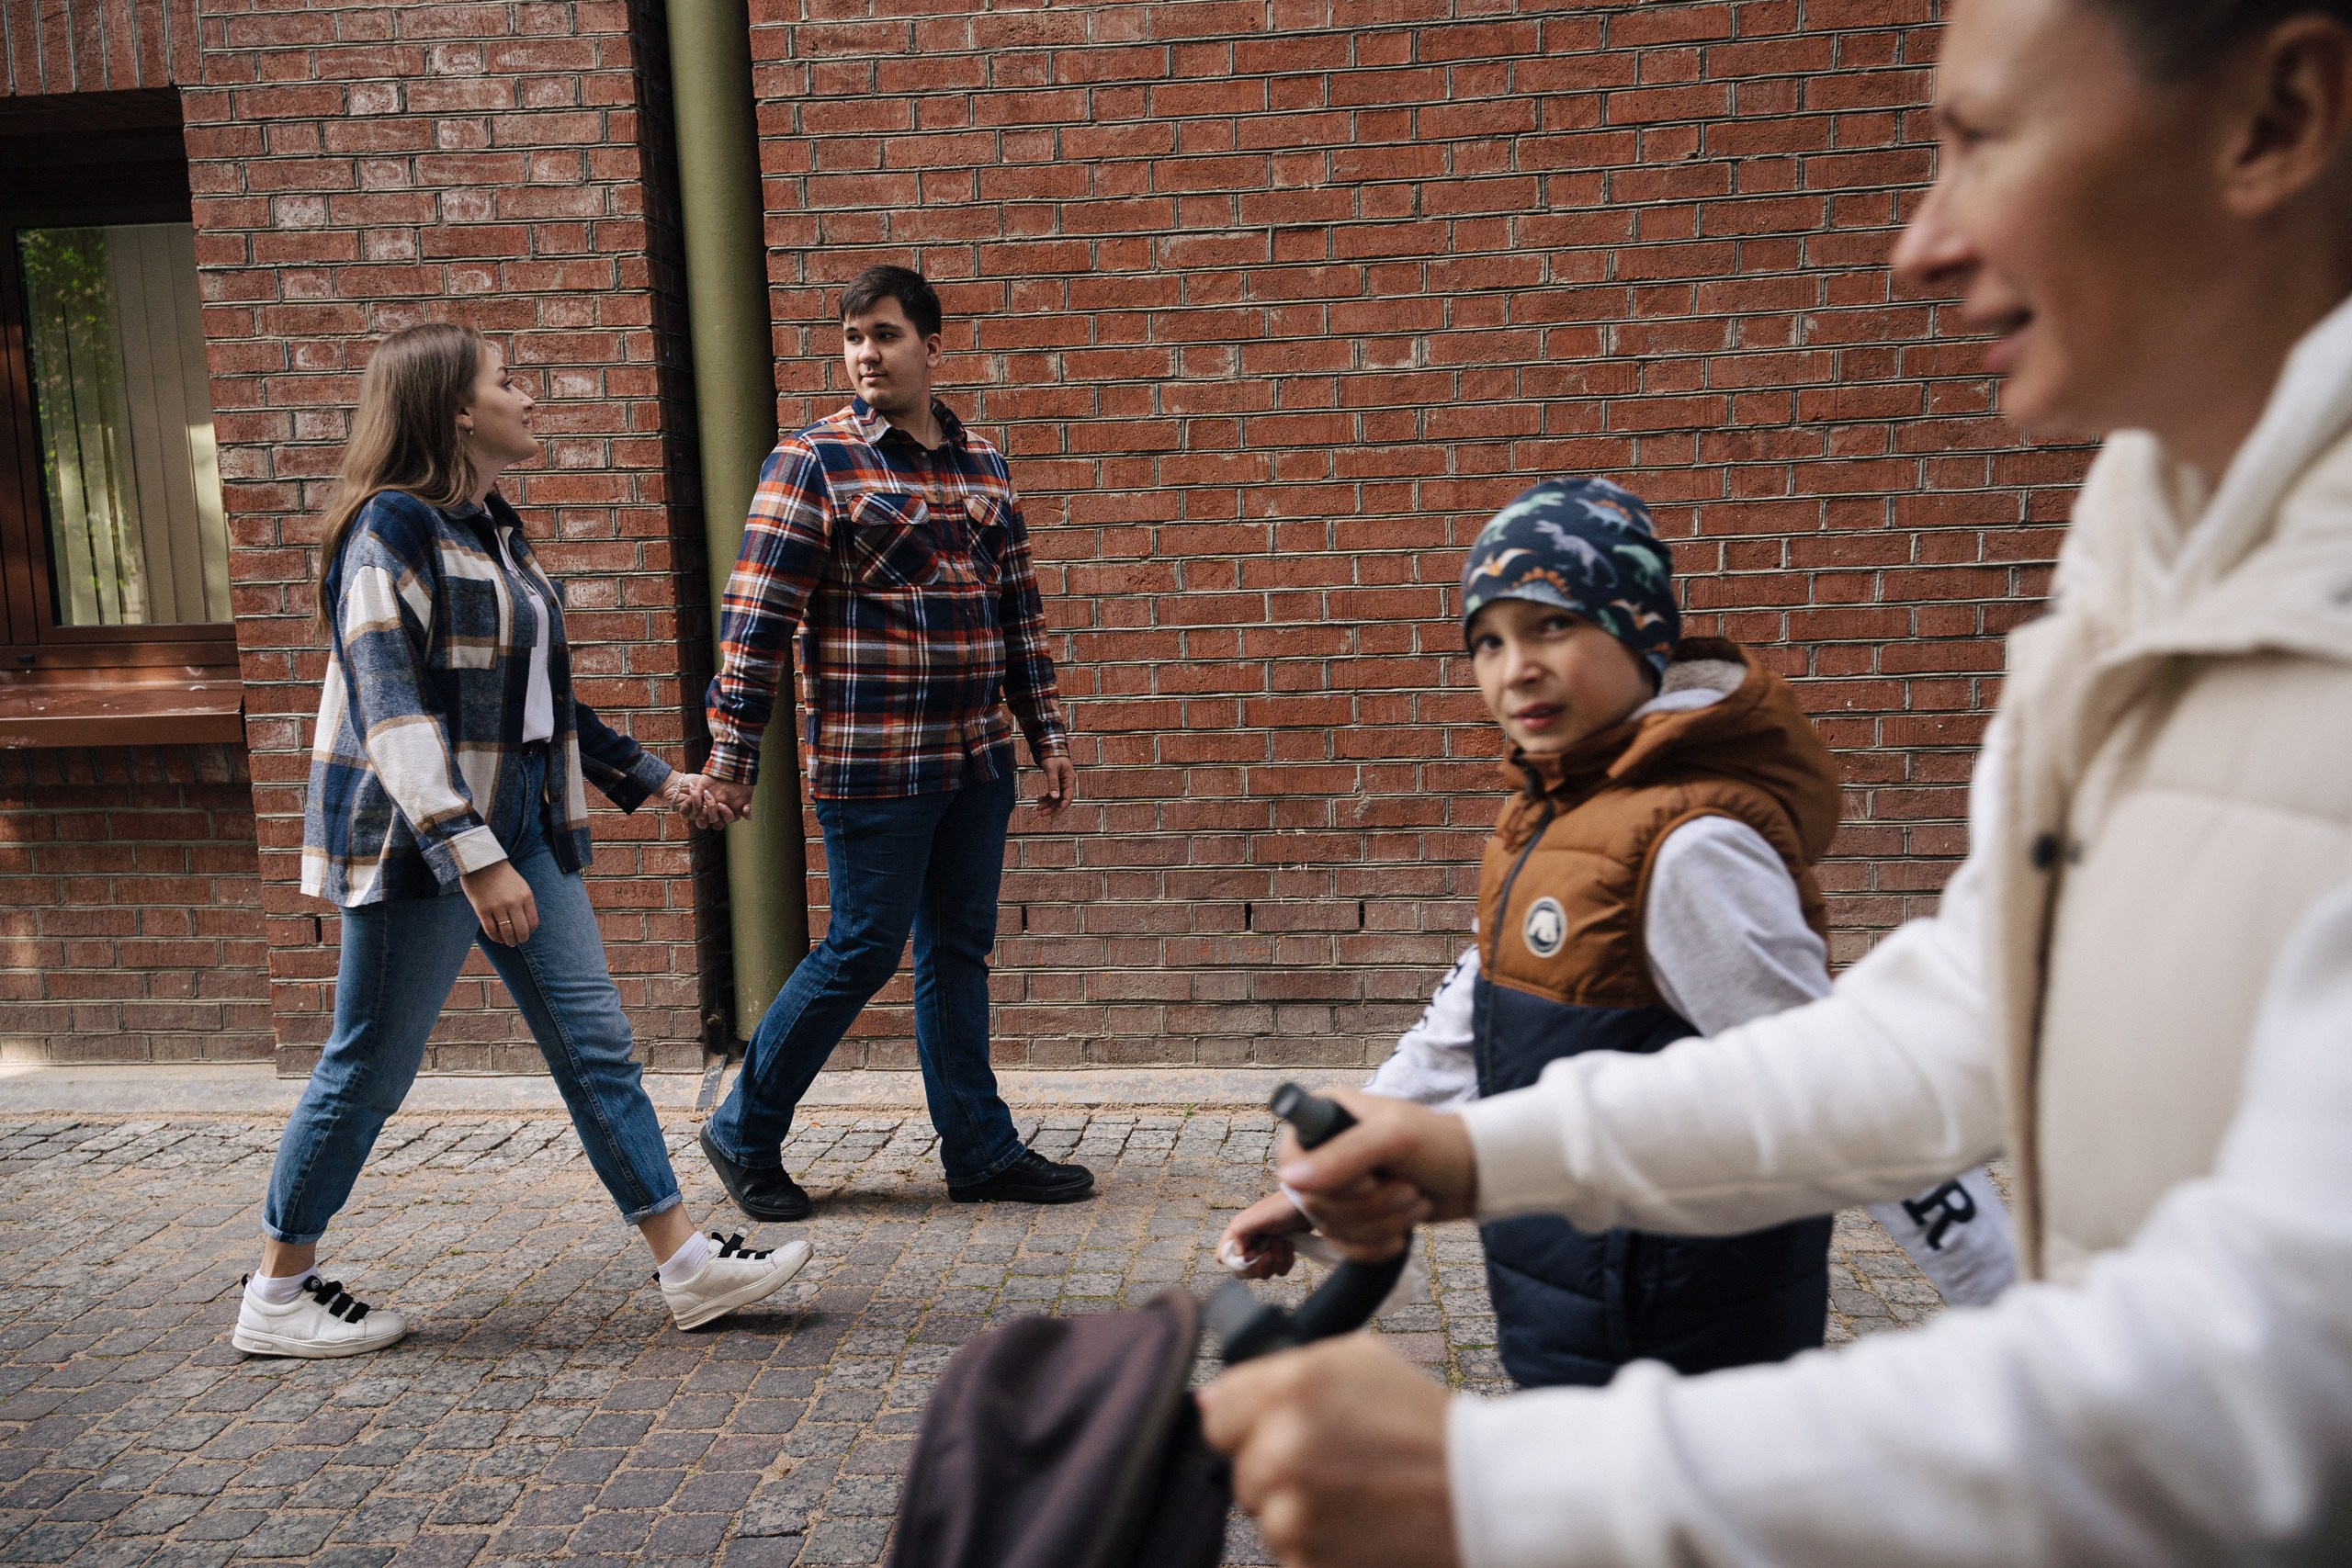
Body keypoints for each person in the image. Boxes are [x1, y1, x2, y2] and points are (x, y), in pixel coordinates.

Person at [1196, 0, 2352, 1560]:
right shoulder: (2138, 557)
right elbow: (1962, 1011)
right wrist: (1469, 1149)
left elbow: (2280, 1364)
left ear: (2278, 117)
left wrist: (1514, 1485)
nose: (1918, 244)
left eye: (1981, 141)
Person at [1216, 478, 2013, 1389]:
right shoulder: (1551, 817)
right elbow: (1469, 1023)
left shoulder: (1691, 847)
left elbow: (1852, 1098)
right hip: (1564, 1291)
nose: (1514, 667)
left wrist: (2014, 1305)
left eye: (1551, 624)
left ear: (1641, 631)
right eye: (1486, 640)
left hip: (1681, 1319)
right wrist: (1312, 1187)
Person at [237, 323, 812, 1359]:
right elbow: (390, 712)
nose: (528, 396)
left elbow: (544, 706)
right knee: (369, 1063)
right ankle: (276, 1292)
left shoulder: (493, 527)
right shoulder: (390, 532)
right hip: (421, 844)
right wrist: (476, 855)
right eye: (509, 382)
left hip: (519, 827)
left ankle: (686, 1266)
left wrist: (659, 780)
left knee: (598, 1050)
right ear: (457, 408)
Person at [694, 265, 1092, 1220]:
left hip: (975, 758)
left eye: (884, 335)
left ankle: (981, 1150)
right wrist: (732, 755)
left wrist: (1047, 734)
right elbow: (756, 619)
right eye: (852, 339)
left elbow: (1017, 615)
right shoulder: (814, 461)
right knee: (863, 946)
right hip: (875, 764)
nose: (865, 354)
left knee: (958, 949)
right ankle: (742, 1129)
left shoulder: (983, 464)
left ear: (931, 347)